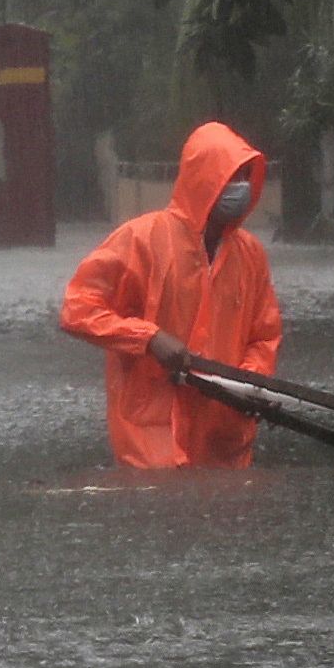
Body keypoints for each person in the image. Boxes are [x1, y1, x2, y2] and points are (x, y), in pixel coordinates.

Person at [60, 121, 282, 469]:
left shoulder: (250, 254)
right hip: (152, 431)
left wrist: (249, 382)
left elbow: (263, 334)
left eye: (244, 176)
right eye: (229, 176)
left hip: (223, 431)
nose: (238, 187)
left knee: (221, 517)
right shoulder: (141, 240)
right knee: (159, 513)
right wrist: (148, 338)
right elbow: (78, 309)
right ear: (203, 178)